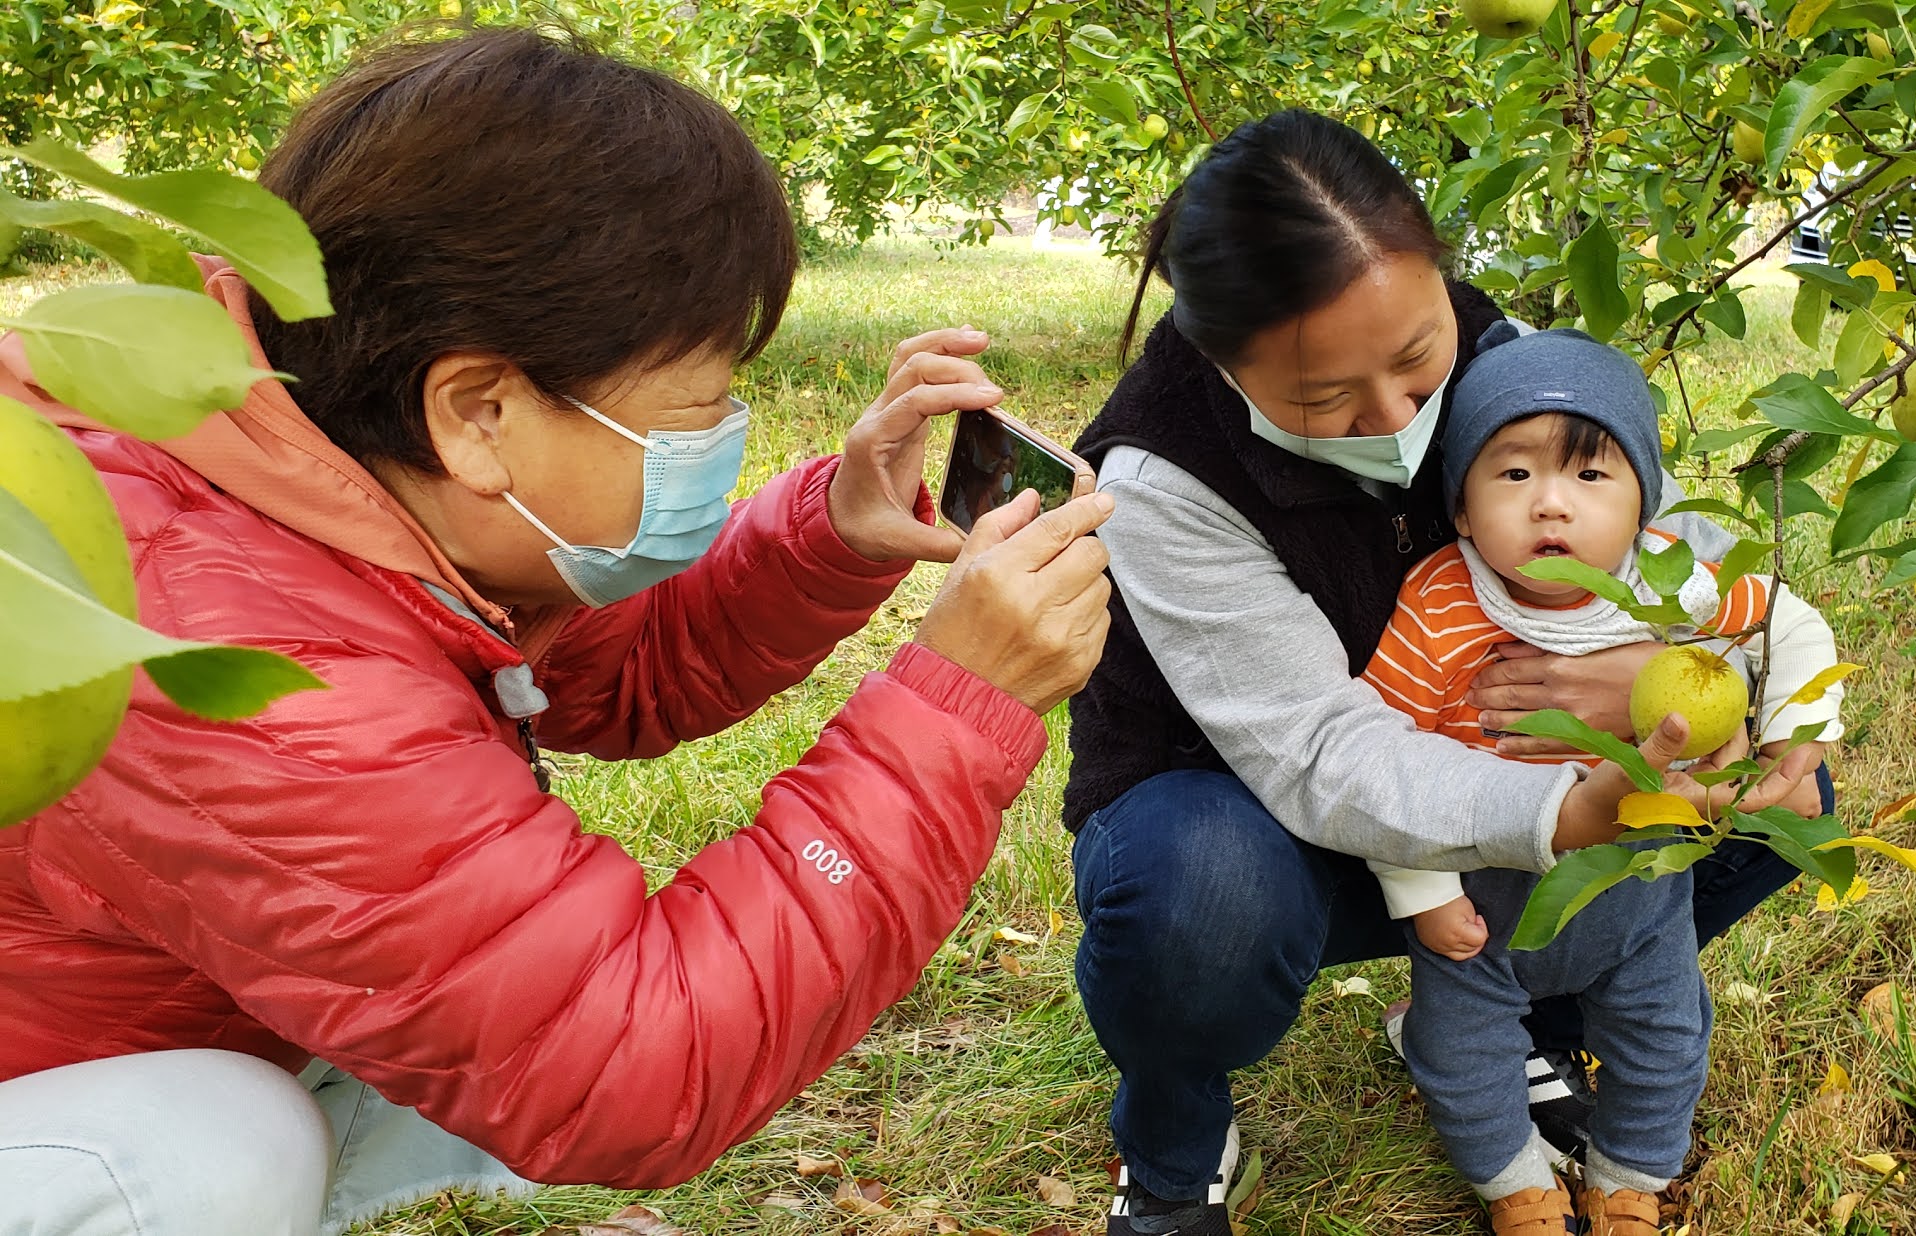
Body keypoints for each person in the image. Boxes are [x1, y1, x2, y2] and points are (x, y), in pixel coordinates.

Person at [0, 28, 1111, 1236]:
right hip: (94, 1065)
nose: (718, 438)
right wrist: (956, 705)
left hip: (105, 1018)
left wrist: (832, 531)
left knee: (466, 995)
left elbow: (620, 673)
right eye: (696, 409)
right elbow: (630, 1062)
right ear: (478, 413)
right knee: (215, 1146)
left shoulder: (315, 475)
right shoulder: (260, 665)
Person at [1063, 109, 1835, 1236]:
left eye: (1418, 358)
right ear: (1220, 357)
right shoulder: (1161, 477)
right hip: (1249, 809)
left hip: (1479, 786)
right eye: (1323, 397)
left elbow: (1673, 549)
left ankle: (1516, 1019)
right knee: (1203, 895)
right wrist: (1566, 808)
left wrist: (1661, 670)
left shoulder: (1503, 356)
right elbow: (1321, 754)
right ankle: (1173, 1141)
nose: (1395, 418)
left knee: (1778, 797)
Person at [1360, 325, 1846, 1235]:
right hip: (1484, 888)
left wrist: (1793, 729)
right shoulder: (1439, 602)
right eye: (1513, 475)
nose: (1551, 504)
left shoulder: (1671, 581)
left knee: (1663, 1030)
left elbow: (1789, 622)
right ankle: (1513, 1185)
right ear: (1460, 507)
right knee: (1462, 1047)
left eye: (1590, 475)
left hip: (1638, 871)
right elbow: (1384, 756)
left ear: (1642, 505)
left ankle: (1630, 1177)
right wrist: (1422, 891)